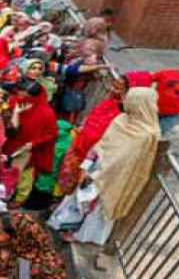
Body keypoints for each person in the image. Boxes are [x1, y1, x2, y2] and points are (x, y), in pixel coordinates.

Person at [64, 88, 161, 246]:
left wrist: (99, 174)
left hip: (117, 176)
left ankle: (85, 236)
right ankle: (69, 224)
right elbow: (103, 143)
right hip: (97, 165)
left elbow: (128, 161)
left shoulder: (147, 135)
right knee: (83, 198)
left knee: (100, 208)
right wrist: (88, 165)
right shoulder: (121, 119)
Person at [57, 74, 130, 195]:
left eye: (118, 88)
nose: (112, 89)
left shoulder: (123, 115)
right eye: (113, 85)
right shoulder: (109, 102)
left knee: (76, 184)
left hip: (91, 155)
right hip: (80, 145)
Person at [2, 77, 59, 208]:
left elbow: (51, 133)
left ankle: (19, 198)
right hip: (10, 142)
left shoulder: (46, 113)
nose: (20, 96)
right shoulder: (14, 102)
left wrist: (34, 143)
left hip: (27, 150)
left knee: (23, 176)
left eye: (24, 94)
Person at [152, 52, 179, 133]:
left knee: (156, 133)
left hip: (174, 115)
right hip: (154, 110)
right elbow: (146, 78)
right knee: (144, 131)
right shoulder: (166, 73)